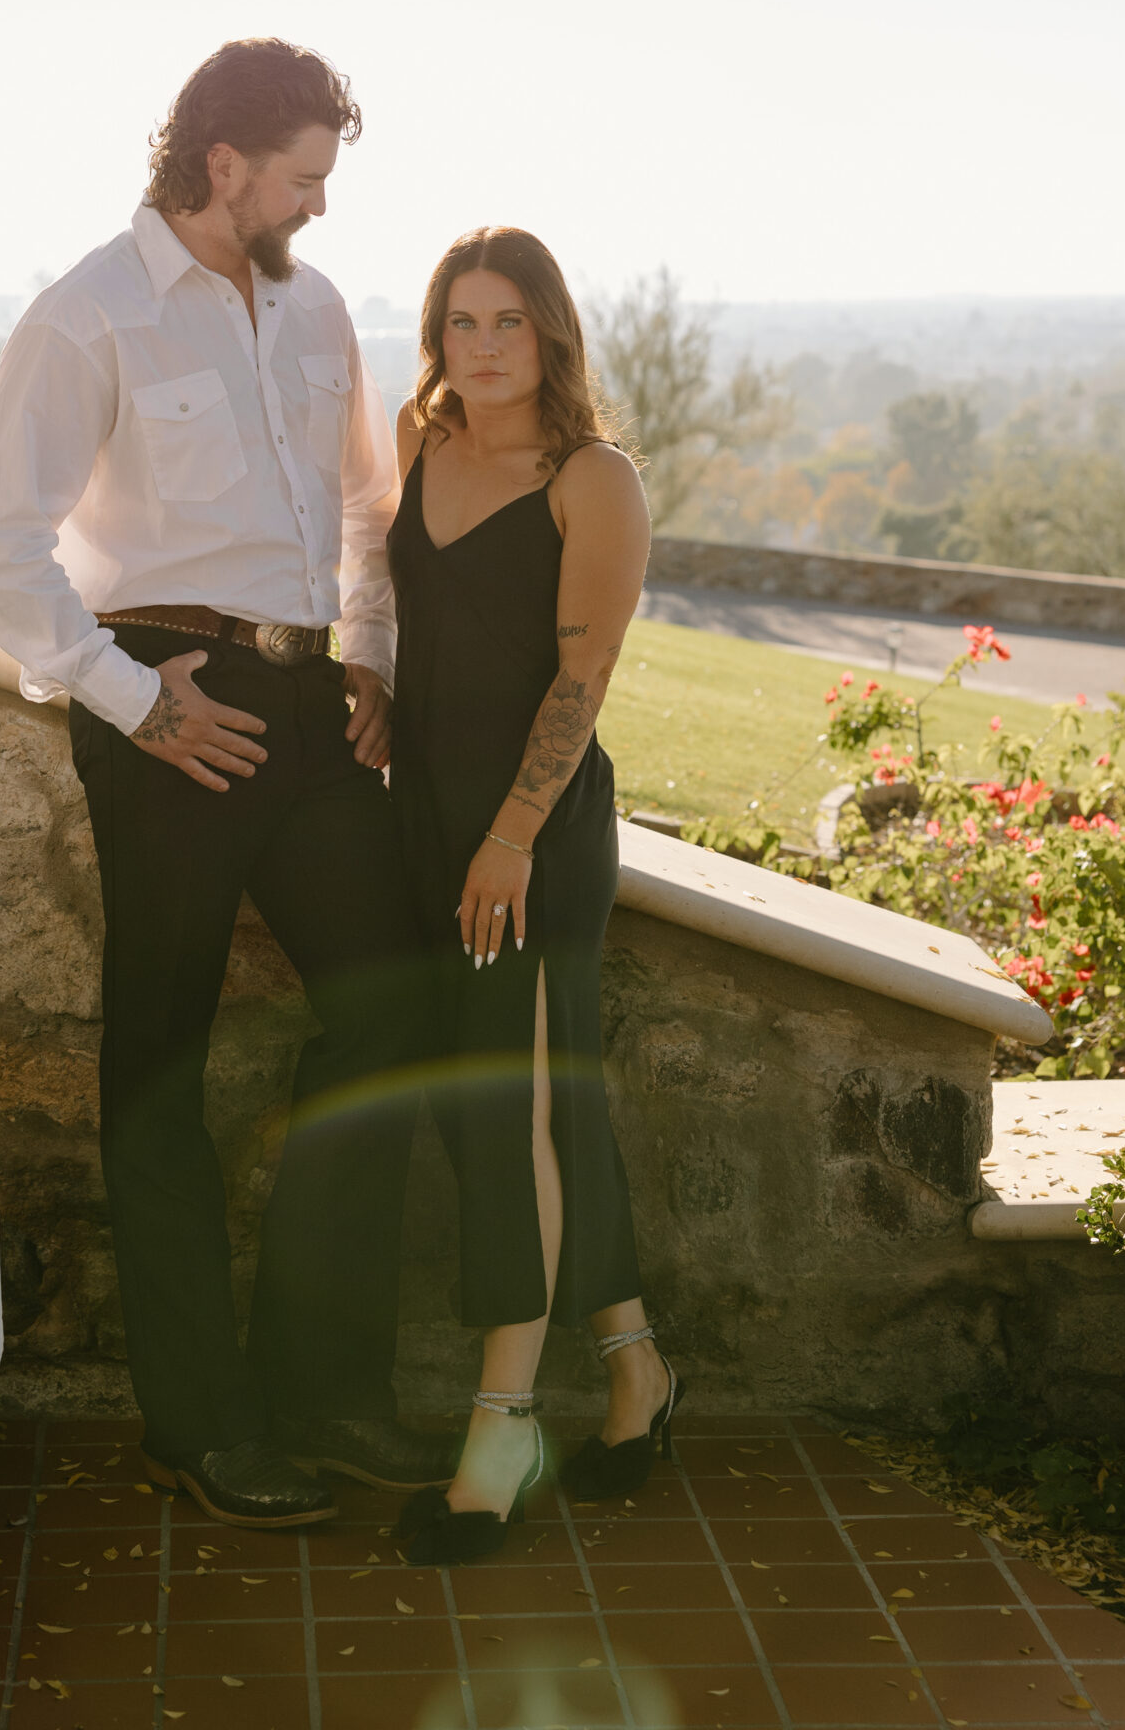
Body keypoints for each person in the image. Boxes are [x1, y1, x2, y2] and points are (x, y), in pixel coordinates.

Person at [0, 39, 453, 1530]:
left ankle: (324, 1391)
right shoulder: (87, 315)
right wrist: (121, 694)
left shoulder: (316, 311)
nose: (317, 204)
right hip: (172, 702)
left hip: (309, 707)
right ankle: (201, 1422)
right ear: (220, 162)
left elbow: (370, 502)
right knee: (158, 1060)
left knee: (393, 1006)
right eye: (301, 176)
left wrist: (367, 654)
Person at [385, 225, 678, 1567]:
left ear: (550, 334)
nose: (483, 346)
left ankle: (502, 1426)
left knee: (520, 1119)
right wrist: (367, 698)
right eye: (462, 321)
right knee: (527, 1107)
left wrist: (508, 836)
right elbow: (412, 622)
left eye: (509, 322)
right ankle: (636, 1372)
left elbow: (580, 681)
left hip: (534, 841)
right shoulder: (417, 444)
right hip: (425, 824)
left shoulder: (593, 478)